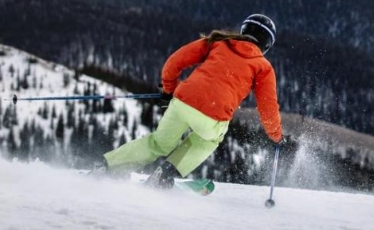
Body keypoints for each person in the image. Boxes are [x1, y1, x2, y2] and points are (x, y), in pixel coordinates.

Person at [100, 14, 284, 188]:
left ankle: (110, 167)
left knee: (158, 143)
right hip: (213, 116)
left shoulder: (217, 42)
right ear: (267, 45)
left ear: (244, 30)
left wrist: (168, 91)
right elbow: (267, 108)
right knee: (207, 141)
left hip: (182, 102)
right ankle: (163, 175)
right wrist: (276, 137)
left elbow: (174, 62)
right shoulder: (263, 67)